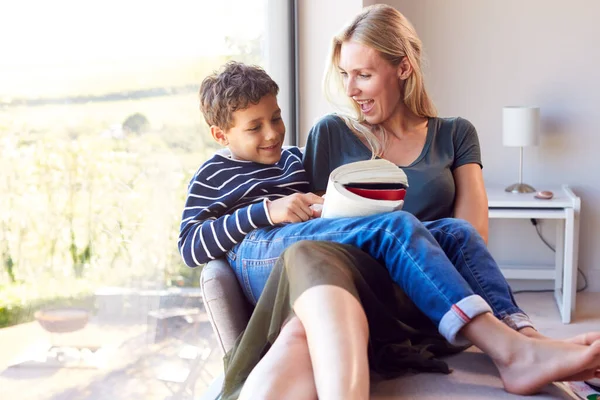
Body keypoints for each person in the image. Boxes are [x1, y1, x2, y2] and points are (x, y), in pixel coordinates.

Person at [179, 60, 600, 399]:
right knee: (393, 227)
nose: (272, 133)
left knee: (455, 231)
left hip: (305, 247)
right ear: (221, 133)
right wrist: (266, 211)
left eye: (276, 117)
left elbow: (316, 219)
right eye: (255, 127)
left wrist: (330, 204)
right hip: (261, 253)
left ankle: (521, 332)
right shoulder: (213, 174)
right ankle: (512, 353)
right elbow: (190, 246)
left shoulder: (292, 159)